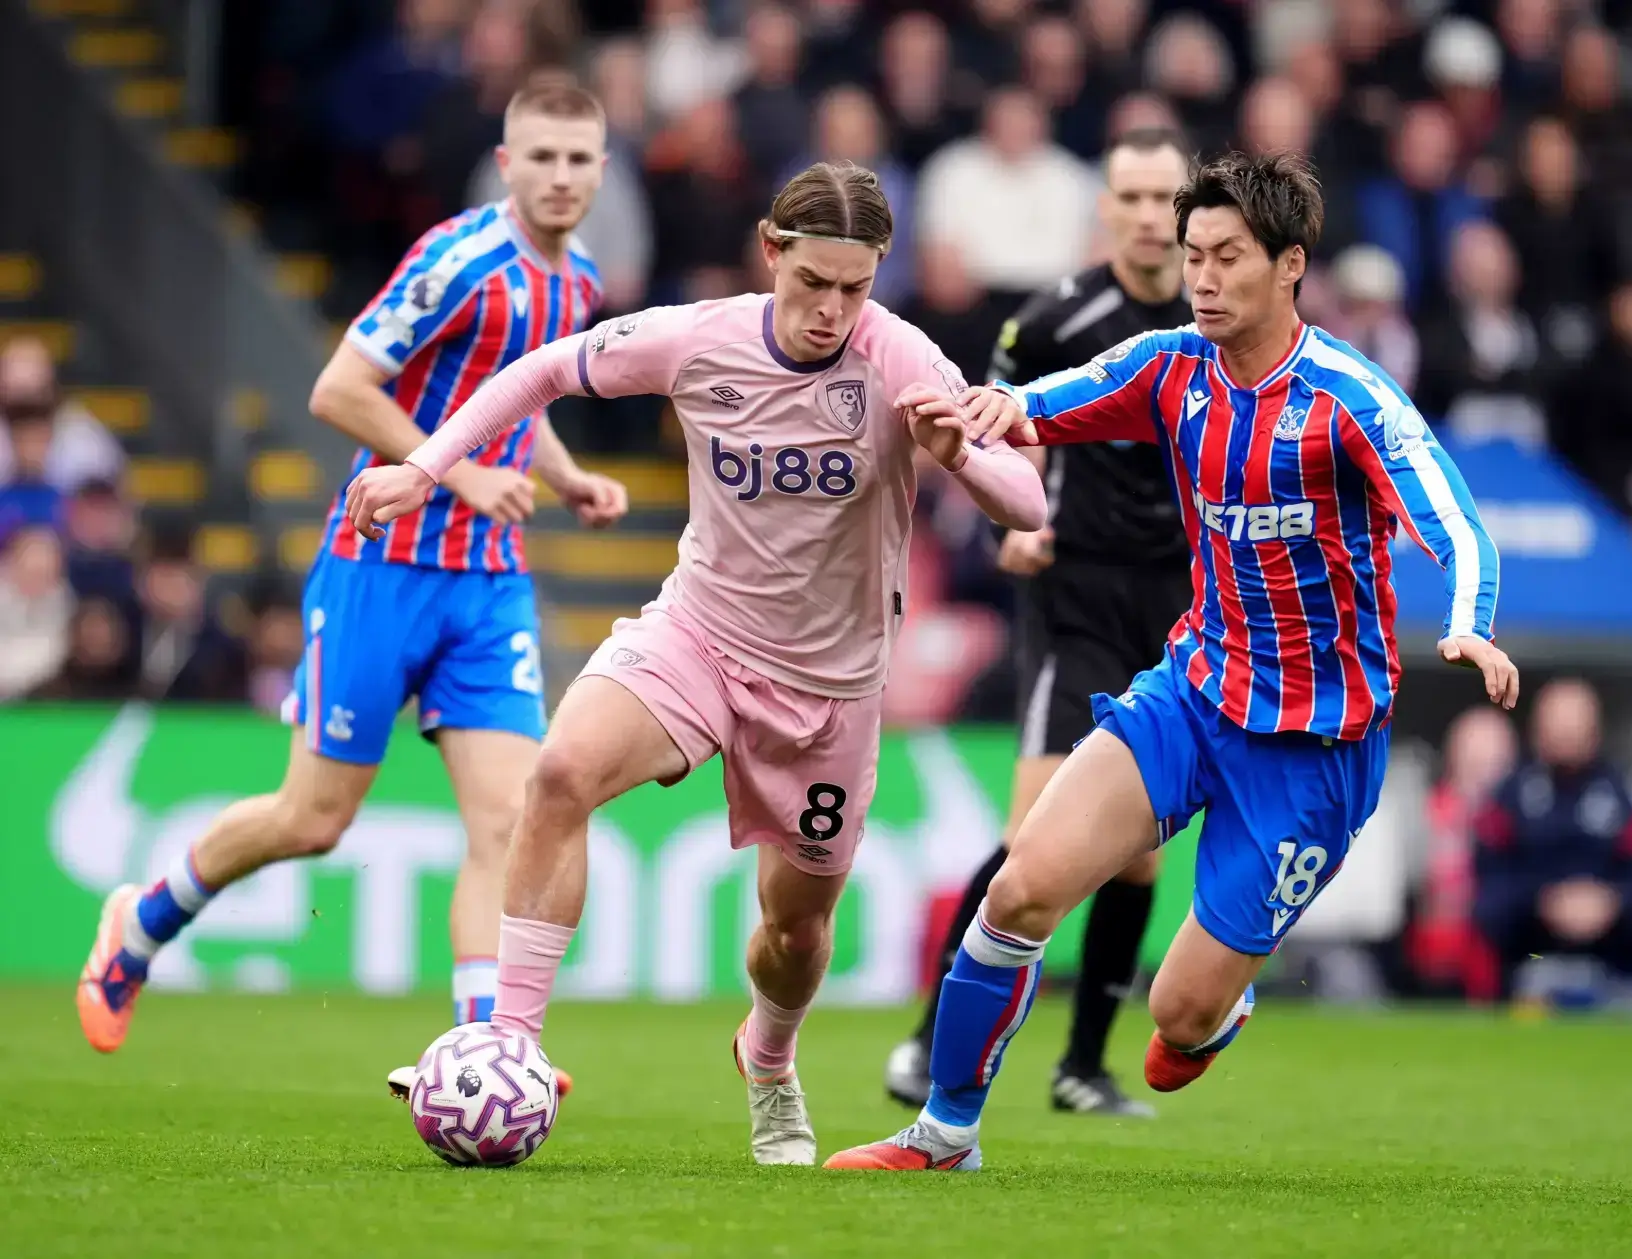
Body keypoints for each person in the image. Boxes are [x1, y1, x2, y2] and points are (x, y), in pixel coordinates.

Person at [344, 160, 1048, 1167]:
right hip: (701, 635)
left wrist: (961, 453)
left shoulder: (901, 359)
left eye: (857, 286)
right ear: (772, 252)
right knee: (559, 774)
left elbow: (1026, 503)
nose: (833, 309)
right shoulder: (699, 338)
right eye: (814, 282)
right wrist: (424, 467)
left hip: (829, 691)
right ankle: (513, 1044)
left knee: (795, 935)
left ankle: (768, 1056)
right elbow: (542, 371)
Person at [826, 150, 1518, 1173]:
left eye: (1226, 257)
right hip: (1192, 693)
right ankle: (943, 1133)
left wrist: (1471, 620)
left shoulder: (1349, 398)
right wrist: (980, 411)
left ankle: (1212, 1009)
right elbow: (1044, 401)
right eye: (1192, 255)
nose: (1201, 276)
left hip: (1315, 750)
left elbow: (1453, 519)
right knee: (1020, 888)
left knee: (1175, 1017)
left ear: (1290, 265)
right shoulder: (1170, 365)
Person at [74, 84, 628, 1099]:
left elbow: (518, 392)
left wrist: (563, 473)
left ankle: (482, 1051)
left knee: (508, 826)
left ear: (602, 169)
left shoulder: (578, 280)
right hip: (382, 563)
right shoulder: (458, 260)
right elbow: (339, 388)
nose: (560, 177)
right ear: (504, 164)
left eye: (579, 160)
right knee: (312, 815)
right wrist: (457, 473)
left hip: (486, 585)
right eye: (541, 157)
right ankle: (141, 919)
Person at [884, 127, 1195, 1119]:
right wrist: (1009, 529)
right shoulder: (1056, 318)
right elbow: (987, 434)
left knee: (1139, 848)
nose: (1150, 215)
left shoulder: (1214, 320)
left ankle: (1083, 1065)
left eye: (1166, 198)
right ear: (1103, 208)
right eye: (1134, 196)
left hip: (1182, 602)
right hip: (1078, 593)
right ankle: (930, 1036)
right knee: (1034, 837)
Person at [1469, 679, 1632, 1005]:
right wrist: (1545, 900)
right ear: (1538, 731)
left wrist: (1609, 902)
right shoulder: (1512, 794)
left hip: (1606, 931)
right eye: (1558, 730)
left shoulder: (1617, 791)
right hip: (1534, 935)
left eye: (1575, 731)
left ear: (1593, 733)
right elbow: (1490, 878)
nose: (1566, 739)